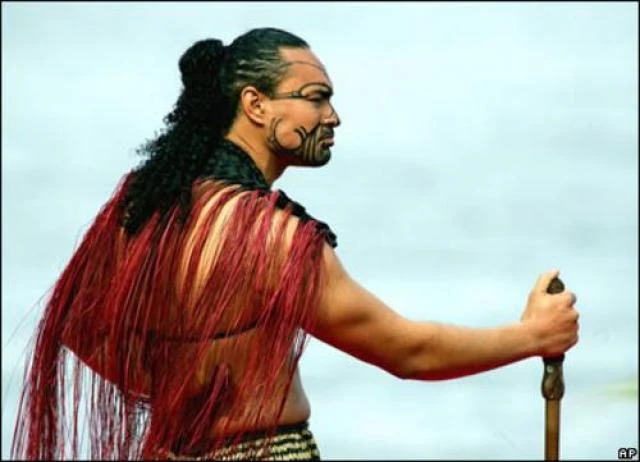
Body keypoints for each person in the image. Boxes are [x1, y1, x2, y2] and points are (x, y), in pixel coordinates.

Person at [11, 27, 580, 461]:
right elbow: (408, 353)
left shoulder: (142, 207)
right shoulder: (272, 235)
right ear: (256, 105)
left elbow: (76, 327)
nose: (334, 117)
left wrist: (178, 383)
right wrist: (533, 335)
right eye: (315, 98)